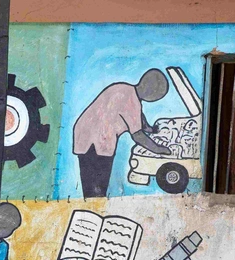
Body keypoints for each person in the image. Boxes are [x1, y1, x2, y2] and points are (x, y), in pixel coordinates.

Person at [73, 69, 172, 197]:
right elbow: (138, 136)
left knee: (91, 181)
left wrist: (150, 129)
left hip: (84, 133)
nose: (155, 99)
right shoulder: (132, 102)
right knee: (96, 186)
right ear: (151, 91)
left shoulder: (125, 89)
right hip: (99, 141)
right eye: (157, 96)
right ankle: (93, 207)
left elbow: (138, 118)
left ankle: (93, 204)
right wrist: (158, 149)